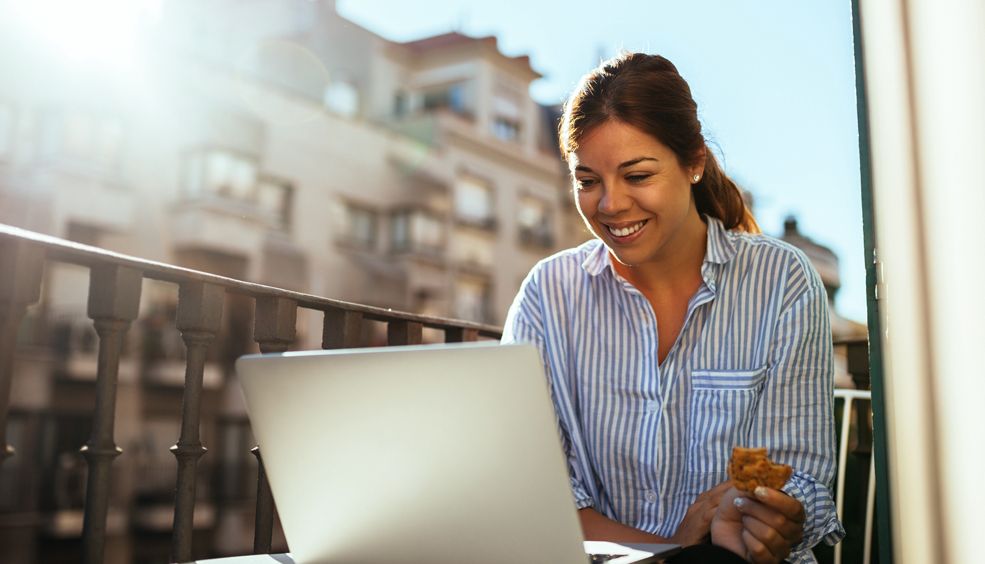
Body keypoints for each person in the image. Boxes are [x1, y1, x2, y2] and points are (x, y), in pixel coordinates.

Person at [502, 52, 845, 563]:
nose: (610, 204)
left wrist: (768, 515)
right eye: (587, 180)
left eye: (637, 176)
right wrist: (670, 549)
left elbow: (804, 483)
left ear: (694, 163)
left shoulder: (781, 282)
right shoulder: (548, 294)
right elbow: (529, 492)